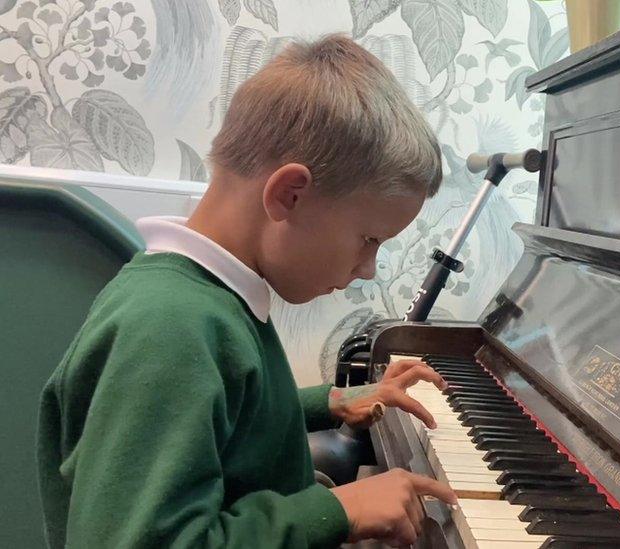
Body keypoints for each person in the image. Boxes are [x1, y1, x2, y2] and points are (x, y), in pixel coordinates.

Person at [36, 34, 455, 548]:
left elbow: (226, 411)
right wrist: (333, 510)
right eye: (368, 239)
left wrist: (332, 400)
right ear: (289, 195)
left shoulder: (208, 300)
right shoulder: (171, 328)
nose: (368, 268)